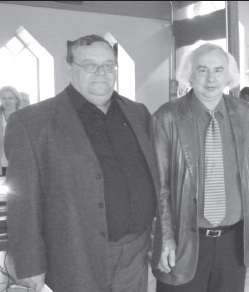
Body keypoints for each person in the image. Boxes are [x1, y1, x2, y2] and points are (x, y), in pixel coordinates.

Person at [5, 34, 160, 292]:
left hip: (135, 252)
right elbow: (22, 202)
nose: (101, 72)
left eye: (108, 65)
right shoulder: (32, 122)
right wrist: (31, 264)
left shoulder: (137, 113)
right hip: (75, 256)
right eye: (90, 65)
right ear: (70, 70)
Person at [151, 43, 249, 292]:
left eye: (218, 70)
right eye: (202, 70)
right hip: (185, 239)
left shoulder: (245, 113)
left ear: (229, 75)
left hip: (233, 242)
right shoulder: (166, 117)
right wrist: (166, 238)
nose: (211, 79)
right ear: (189, 73)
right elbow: (160, 187)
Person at [0, 86, 21, 176]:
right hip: (1, 164)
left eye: (10, 98)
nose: (7, 101)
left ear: (16, 100)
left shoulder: (24, 117)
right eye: (4, 98)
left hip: (18, 164)